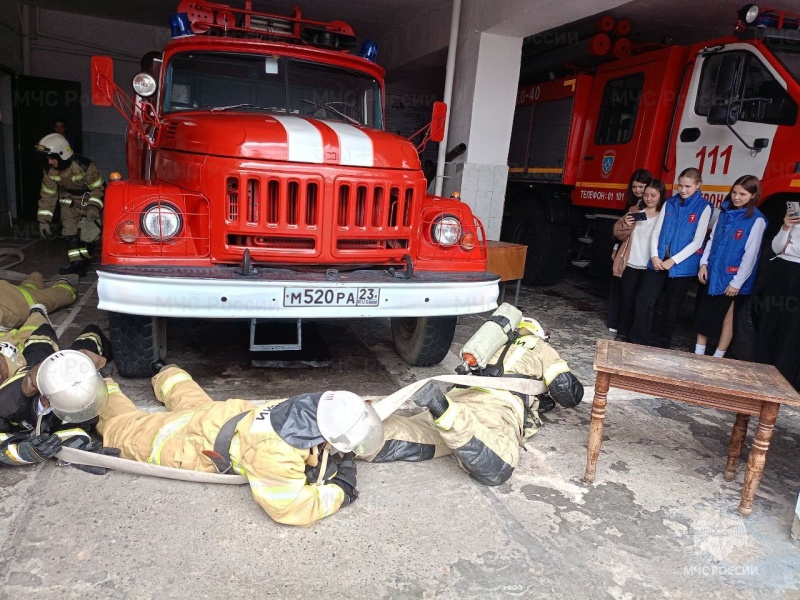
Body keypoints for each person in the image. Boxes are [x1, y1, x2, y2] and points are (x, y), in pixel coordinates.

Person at [96, 364, 383, 526]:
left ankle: (166, 371)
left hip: (225, 417)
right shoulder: (275, 451)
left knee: (190, 400)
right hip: (195, 442)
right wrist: (339, 492)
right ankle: (99, 386)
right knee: (122, 429)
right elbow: (290, 507)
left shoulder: (308, 407)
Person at [361, 318, 583, 485]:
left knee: (417, 433)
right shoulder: (537, 346)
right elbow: (567, 391)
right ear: (540, 334)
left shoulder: (490, 345)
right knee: (498, 465)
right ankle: (446, 414)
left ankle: (354, 430)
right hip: (498, 403)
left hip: (460, 394)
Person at [0, 315, 114, 469]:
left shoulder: (81, 392)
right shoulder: (7, 402)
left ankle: (92, 333)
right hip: (32, 371)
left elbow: (76, 425)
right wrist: (20, 452)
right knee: (39, 345)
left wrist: (77, 447)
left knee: (87, 347)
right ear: (45, 400)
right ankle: (41, 323)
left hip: (60, 367)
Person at [629, 168, 712, 347]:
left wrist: (672, 261)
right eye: (680, 185)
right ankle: (637, 340)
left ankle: (661, 344)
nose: (683, 190)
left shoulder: (704, 207)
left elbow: (698, 241)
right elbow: (657, 231)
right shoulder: (670, 202)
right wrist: (654, 256)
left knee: (671, 308)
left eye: (688, 186)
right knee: (644, 299)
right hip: (658, 261)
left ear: (698, 185)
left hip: (681, 266)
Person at [695, 176, 766, 358]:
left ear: (753, 195)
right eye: (734, 192)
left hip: (731, 278)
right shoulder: (724, 213)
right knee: (704, 314)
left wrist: (737, 283)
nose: (736, 197)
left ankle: (718, 357)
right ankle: (698, 354)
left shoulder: (756, 220)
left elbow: (751, 255)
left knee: (727, 319)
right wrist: (704, 264)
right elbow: (712, 241)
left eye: (743, 194)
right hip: (712, 272)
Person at [35, 133, 105, 277]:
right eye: (48, 158)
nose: (50, 162)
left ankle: (85, 260)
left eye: (52, 158)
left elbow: (98, 187)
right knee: (69, 232)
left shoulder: (84, 165)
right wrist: (44, 220)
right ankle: (76, 264)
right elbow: (48, 194)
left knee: (89, 235)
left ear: (62, 154)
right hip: (68, 203)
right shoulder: (49, 171)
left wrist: (94, 205)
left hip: (88, 201)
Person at [613, 180, 667, 342]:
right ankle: (622, 332)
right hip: (631, 261)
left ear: (661, 195)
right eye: (646, 195)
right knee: (627, 298)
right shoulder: (634, 210)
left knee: (644, 301)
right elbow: (618, 233)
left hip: (650, 265)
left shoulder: (665, 214)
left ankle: (638, 336)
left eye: (653, 195)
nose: (649, 199)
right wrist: (626, 224)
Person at [755, 204, 800, 389]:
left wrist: (791, 248)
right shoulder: (795, 213)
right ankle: (762, 372)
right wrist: (785, 227)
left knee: (792, 329)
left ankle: (783, 380)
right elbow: (776, 248)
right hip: (781, 271)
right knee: (770, 322)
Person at [608, 169, 653, 333]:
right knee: (620, 286)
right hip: (627, 249)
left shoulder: (657, 206)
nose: (638, 191)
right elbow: (620, 230)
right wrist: (615, 248)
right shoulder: (632, 205)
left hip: (643, 253)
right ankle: (615, 322)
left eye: (642, 187)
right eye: (635, 187)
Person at [0, 271, 77, 332]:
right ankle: (36, 277)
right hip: (6, 292)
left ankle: (65, 286)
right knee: (27, 289)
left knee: (56, 296)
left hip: (16, 305)